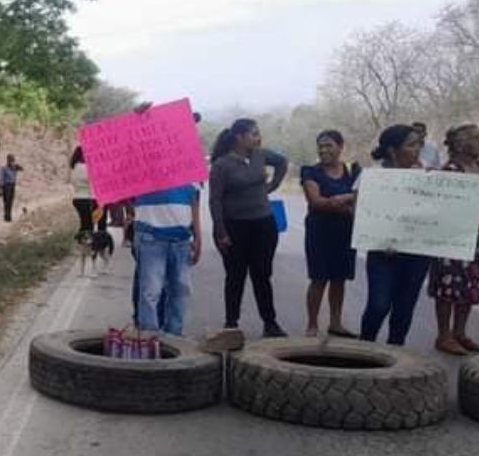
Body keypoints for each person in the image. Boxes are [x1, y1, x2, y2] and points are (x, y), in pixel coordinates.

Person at [209, 118, 289, 337]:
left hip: (263, 224)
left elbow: (282, 162)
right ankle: (231, 323)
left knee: (262, 275)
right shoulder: (221, 165)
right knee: (235, 276)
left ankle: (270, 323)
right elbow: (215, 200)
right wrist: (220, 231)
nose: (257, 138)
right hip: (235, 227)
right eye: (253, 134)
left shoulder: (261, 155)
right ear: (239, 137)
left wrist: (272, 185)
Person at [359, 125, 432, 346]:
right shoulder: (373, 176)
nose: (417, 149)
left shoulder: (428, 174)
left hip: (417, 253)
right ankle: (364, 348)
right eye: (411, 145)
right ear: (392, 151)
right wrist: (380, 238)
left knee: (404, 307)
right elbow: (359, 212)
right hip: (384, 254)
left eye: (419, 144)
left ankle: (396, 354)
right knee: (379, 305)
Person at [428, 124, 479, 355]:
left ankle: (460, 333)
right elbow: (456, 211)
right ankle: (444, 335)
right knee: (449, 288)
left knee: (470, 285)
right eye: (476, 138)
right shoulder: (450, 172)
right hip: (452, 240)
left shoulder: (476, 167)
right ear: (460, 144)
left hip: (477, 241)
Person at [300, 130, 360, 338]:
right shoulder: (310, 172)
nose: (324, 150)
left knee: (339, 279)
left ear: (341, 147)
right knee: (318, 278)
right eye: (321, 146)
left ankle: (336, 322)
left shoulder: (353, 171)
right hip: (320, 232)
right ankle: (312, 324)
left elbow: (361, 199)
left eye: (329, 145)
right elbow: (316, 202)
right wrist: (346, 199)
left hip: (345, 232)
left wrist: (338, 201)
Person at [132, 183, 201, 335]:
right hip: (151, 236)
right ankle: (149, 338)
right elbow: (128, 197)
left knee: (180, 290)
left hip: (181, 238)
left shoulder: (188, 168)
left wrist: (197, 236)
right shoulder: (141, 169)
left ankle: (174, 336)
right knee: (151, 291)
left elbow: (194, 201)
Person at [69, 147, 96, 239]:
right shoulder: (85, 168)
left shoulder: (74, 168)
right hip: (87, 198)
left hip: (77, 198)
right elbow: (93, 180)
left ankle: (81, 242)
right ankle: (84, 243)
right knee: (88, 225)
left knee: (84, 223)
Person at [0, 154, 22, 222]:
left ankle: (9, 215)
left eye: (13, 161)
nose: (12, 163)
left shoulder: (14, 168)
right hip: (6, 186)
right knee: (6, 201)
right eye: (11, 161)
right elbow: (1, 178)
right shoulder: (4, 168)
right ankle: (6, 215)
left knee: (11, 201)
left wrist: (17, 166)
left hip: (12, 186)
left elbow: (22, 169)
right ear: (8, 161)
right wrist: (0, 188)